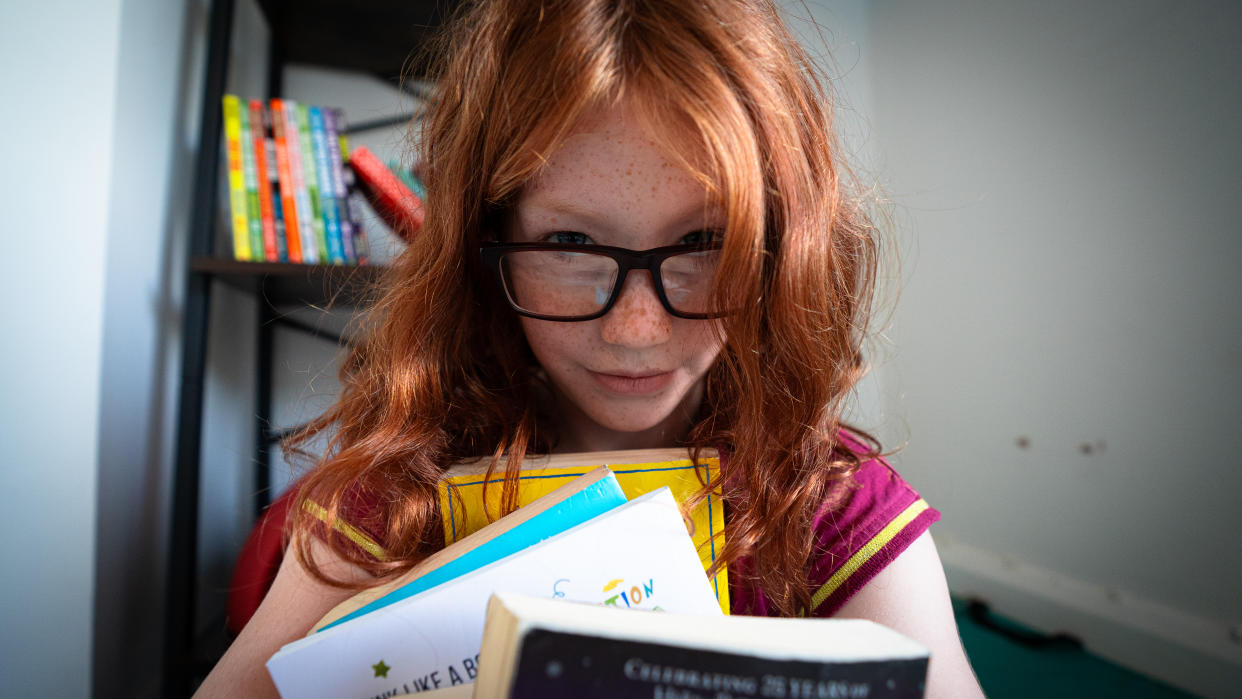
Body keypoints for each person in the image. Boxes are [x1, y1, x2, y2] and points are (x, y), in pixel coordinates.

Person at [197, 0, 983, 696]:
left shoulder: (831, 505)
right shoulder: (399, 490)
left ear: (782, 251)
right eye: (571, 241)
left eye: (704, 241)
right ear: (484, 242)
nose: (636, 330)